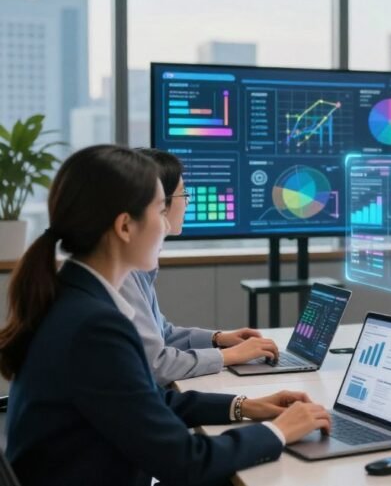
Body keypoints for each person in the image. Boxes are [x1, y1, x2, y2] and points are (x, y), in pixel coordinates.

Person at [0, 145, 331, 486]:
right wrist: (278, 432)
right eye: (161, 210)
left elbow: (149, 400)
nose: (166, 222)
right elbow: (186, 461)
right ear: (125, 227)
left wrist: (247, 406)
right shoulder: (94, 326)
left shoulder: (73, 297)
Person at [124, 148, 278, 385]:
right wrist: (228, 356)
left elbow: (160, 333)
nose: (186, 203)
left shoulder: (137, 267)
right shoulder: (122, 276)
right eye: (182, 194)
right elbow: (155, 364)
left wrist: (218, 339)